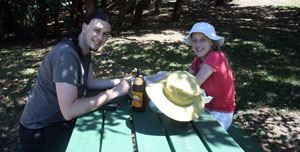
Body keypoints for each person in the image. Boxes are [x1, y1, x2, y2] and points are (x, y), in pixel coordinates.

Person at [19, 12, 130, 152]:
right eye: (97, 30)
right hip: (40, 132)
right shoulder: (66, 55)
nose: (101, 38)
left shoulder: (84, 50)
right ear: (84, 27)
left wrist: (123, 81)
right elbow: (69, 111)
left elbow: (90, 82)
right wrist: (114, 93)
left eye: (106, 34)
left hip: (59, 123)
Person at [183, 22, 236, 130]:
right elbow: (185, 81)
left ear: (212, 42)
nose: (198, 44)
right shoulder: (197, 61)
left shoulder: (216, 56)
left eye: (203, 39)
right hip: (203, 109)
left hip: (219, 114)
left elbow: (193, 84)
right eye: (194, 40)